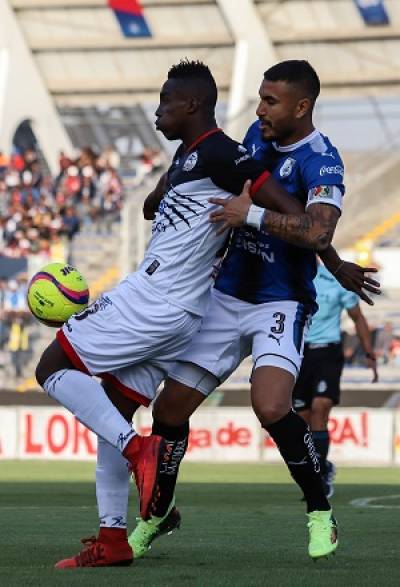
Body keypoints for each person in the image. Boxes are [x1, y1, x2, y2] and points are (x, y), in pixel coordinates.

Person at [35, 59, 331, 568]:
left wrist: (259, 217)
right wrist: (167, 181)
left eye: (164, 102)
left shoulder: (224, 154)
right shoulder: (190, 157)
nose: (155, 114)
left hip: (155, 301)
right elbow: (153, 206)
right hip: (186, 311)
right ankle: (113, 540)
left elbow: (302, 219)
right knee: (115, 405)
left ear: (191, 105)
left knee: (52, 367)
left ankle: (139, 453)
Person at [127, 60, 381, 562]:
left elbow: (314, 228)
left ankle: (319, 512)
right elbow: (277, 201)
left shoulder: (323, 160)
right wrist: (334, 262)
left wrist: (256, 218)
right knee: (168, 410)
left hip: (280, 301)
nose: (260, 109)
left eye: (271, 101)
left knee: (269, 406)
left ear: (301, 107)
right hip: (224, 296)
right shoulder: (253, 136)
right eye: (261, 98)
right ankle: (158, 513)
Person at [293, 259, 378, 498]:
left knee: (321, 407)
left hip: (327, 352)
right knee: (302, 420)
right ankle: (319, 468)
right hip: (298, 353)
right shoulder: (291, 279)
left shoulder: (336, 281)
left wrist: (369, 352)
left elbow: (357, 317)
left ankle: (319, 476)